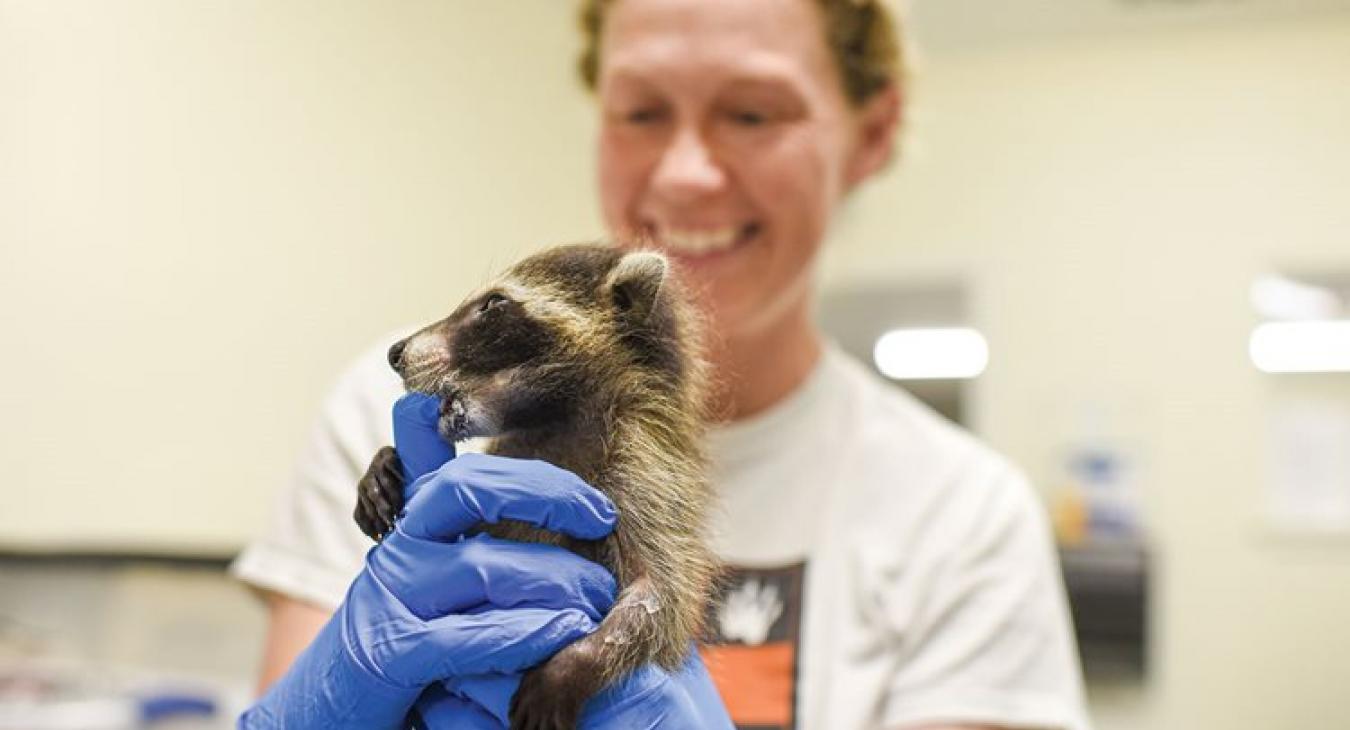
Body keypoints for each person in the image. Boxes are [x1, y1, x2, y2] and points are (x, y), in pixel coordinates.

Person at [233, 1, 1092, 728]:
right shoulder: (388, 412)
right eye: (642, 111)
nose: (684, 176)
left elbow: (656, 585)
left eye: (752, 113)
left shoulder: (968, 520)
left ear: (871, 134)